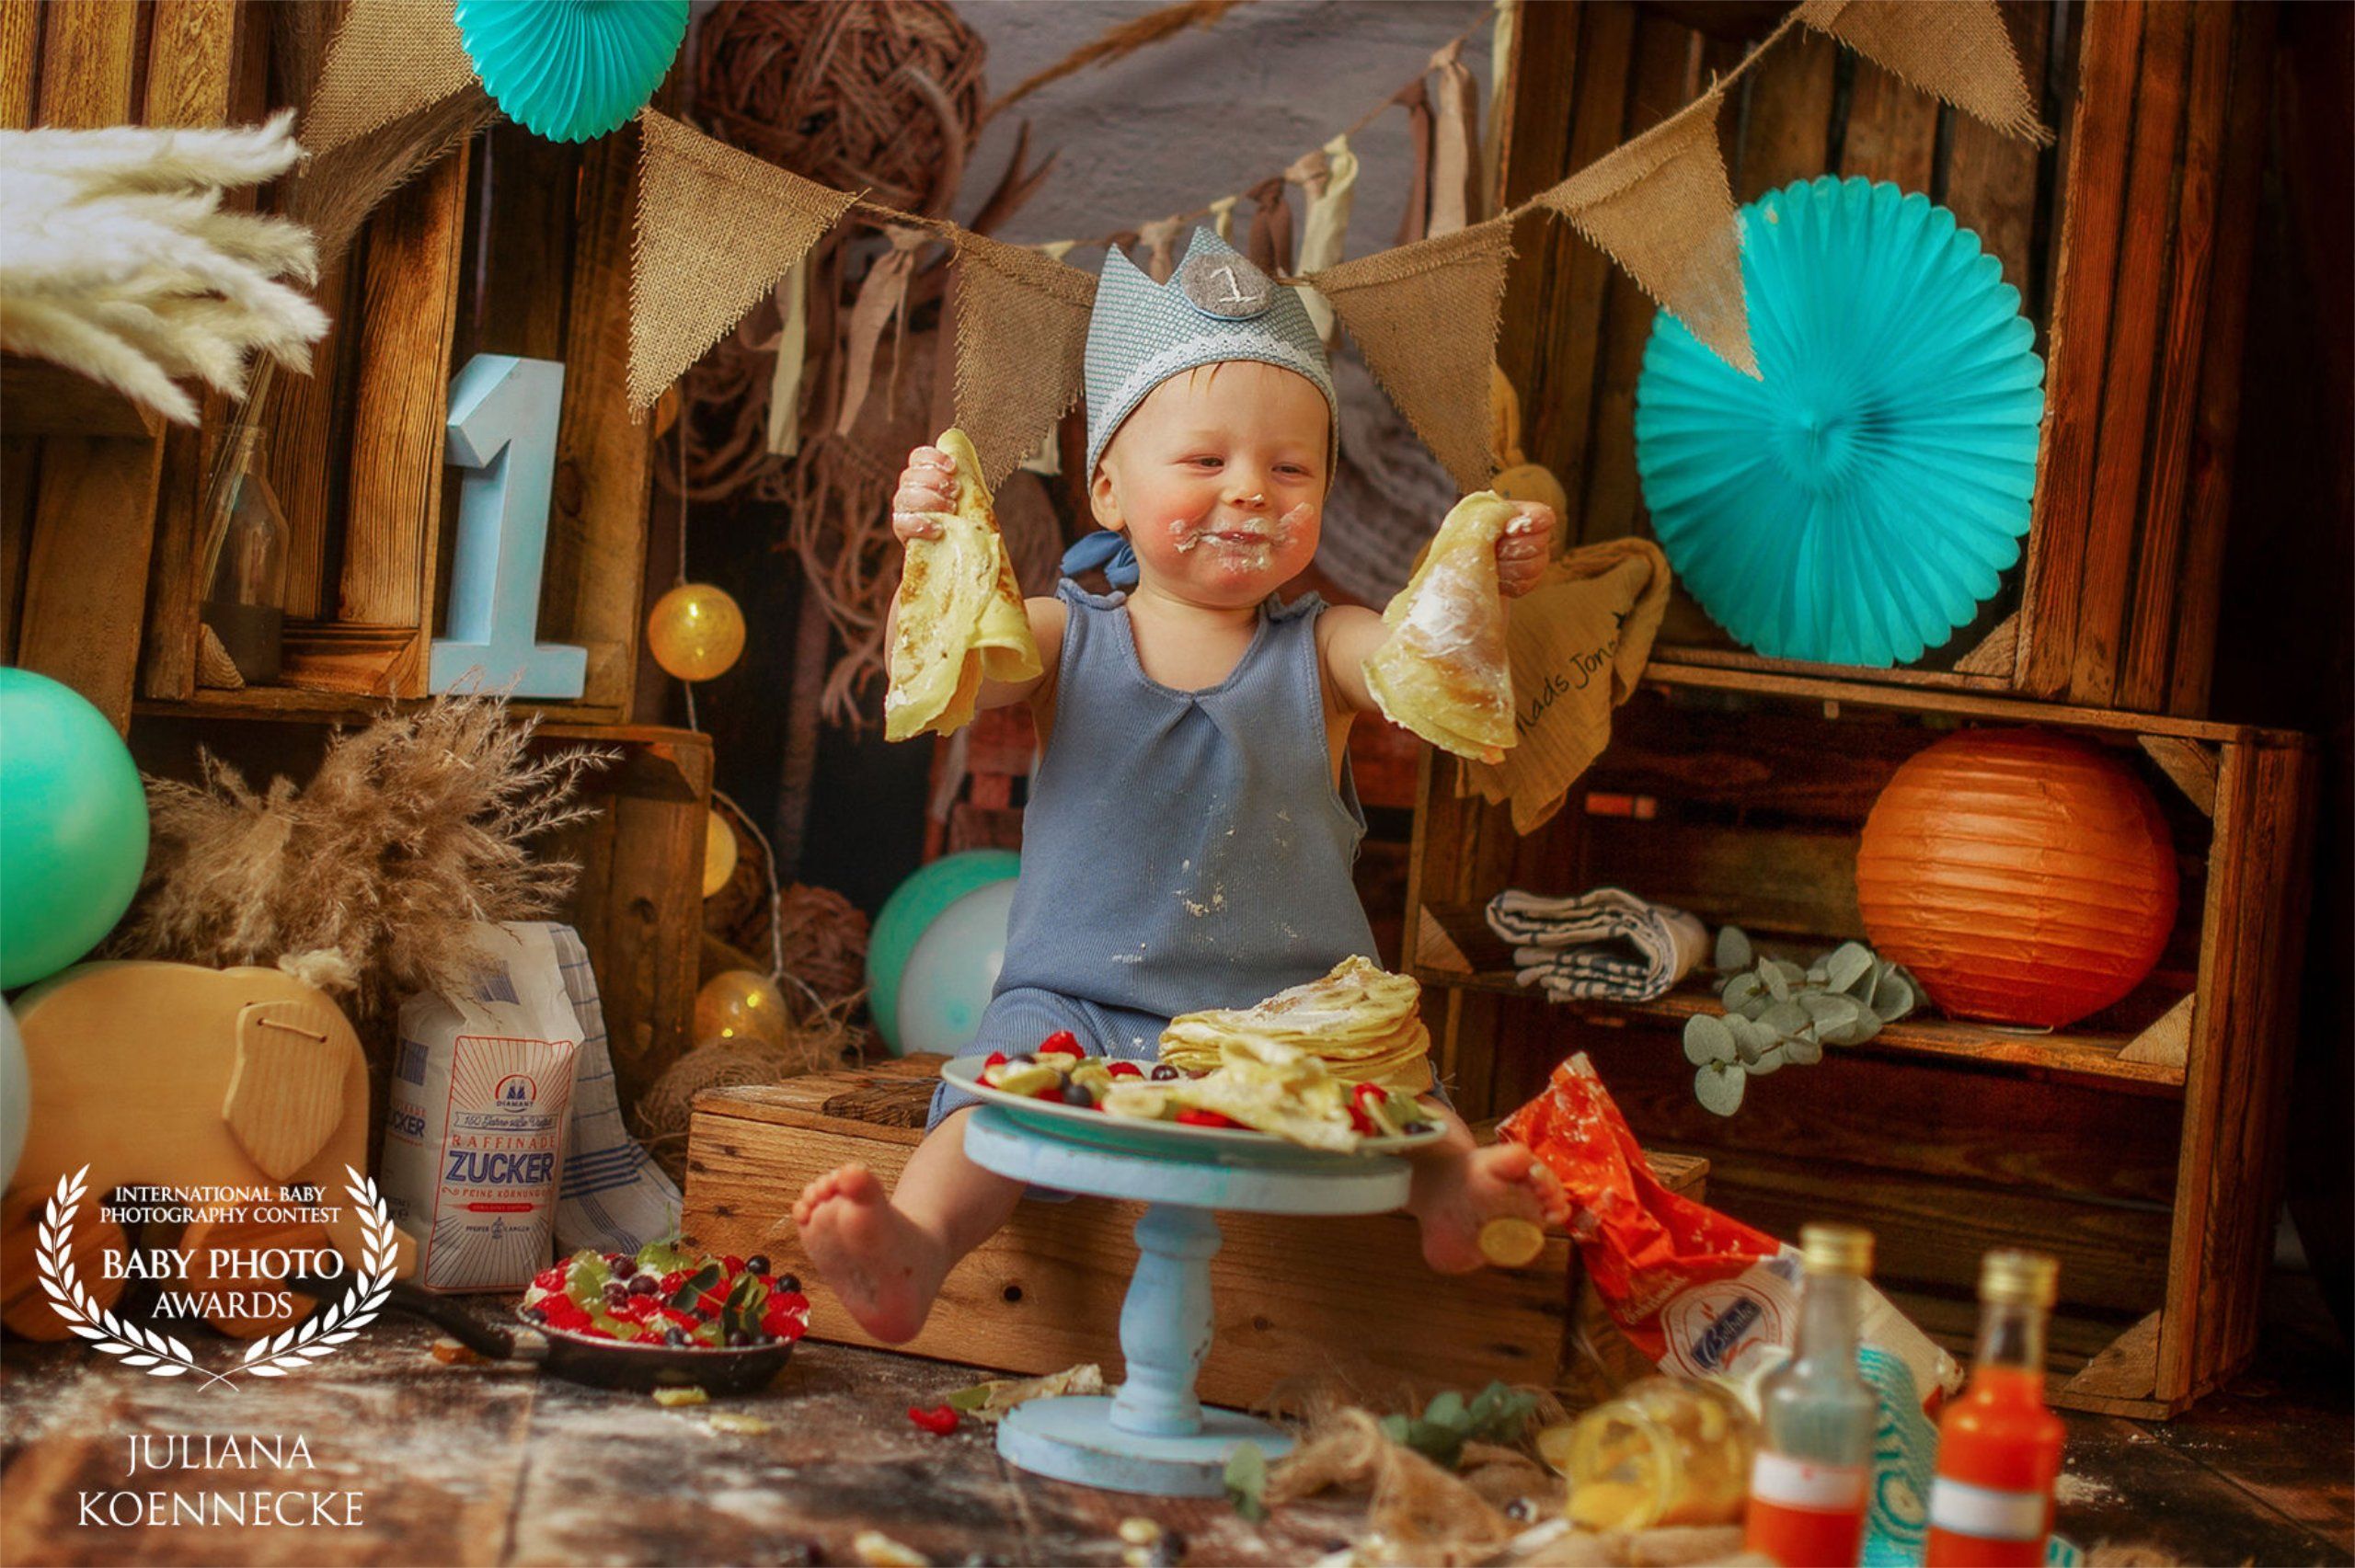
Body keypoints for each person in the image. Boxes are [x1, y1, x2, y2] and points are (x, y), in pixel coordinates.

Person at [795, 227, 1568, 1344]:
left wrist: (1480, 582)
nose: (1251, 492)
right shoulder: (1067, 638)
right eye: (1206, 463)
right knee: (989, 1097)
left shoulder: (1327, 647)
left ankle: (1448, 1192)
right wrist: (933, 537)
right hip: (1081, 1005)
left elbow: (1419, 658)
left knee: (1398, 1098)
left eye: (1290, 469)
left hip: (1291, 1017)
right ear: (1107, 484)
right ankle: (915, 1246)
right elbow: (964, 662)